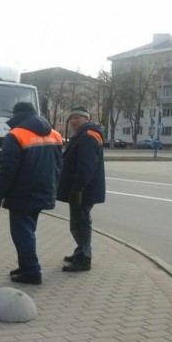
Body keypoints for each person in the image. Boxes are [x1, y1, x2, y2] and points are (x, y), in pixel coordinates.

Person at [0, 102, 63, 285]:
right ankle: (25, 265)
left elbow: (7, 170)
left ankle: (31, 272)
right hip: (45, 189)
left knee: (22, 234)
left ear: (17, 116)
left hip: (23, 193)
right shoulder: (55, 134)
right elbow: (59, 165)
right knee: (29, 231)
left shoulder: (15, 135)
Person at [57, 105, 106, 272]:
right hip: (81, 188)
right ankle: (81, 251)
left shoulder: (88, 135)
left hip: (83, 190)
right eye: (71, 118)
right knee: (78, 222)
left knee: (80, 223)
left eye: (76, 117)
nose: (72, 121)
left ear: (86, 118)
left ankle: (84, 258)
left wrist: (78, 189)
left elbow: (86, 166)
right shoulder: (83, 134)